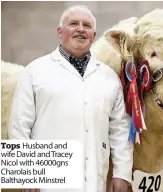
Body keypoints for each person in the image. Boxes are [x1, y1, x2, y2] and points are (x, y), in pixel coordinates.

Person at [7, 5, 133, 192]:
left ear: (93, 34)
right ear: (60, 32)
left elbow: (120, 129)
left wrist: (122, 173)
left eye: (87, 25)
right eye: (73, 24)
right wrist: (27, 174)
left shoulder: (109, 77)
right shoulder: (35, 71)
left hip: (94, 182)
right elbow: (19, 126)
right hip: (48, 183)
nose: (81, 29)